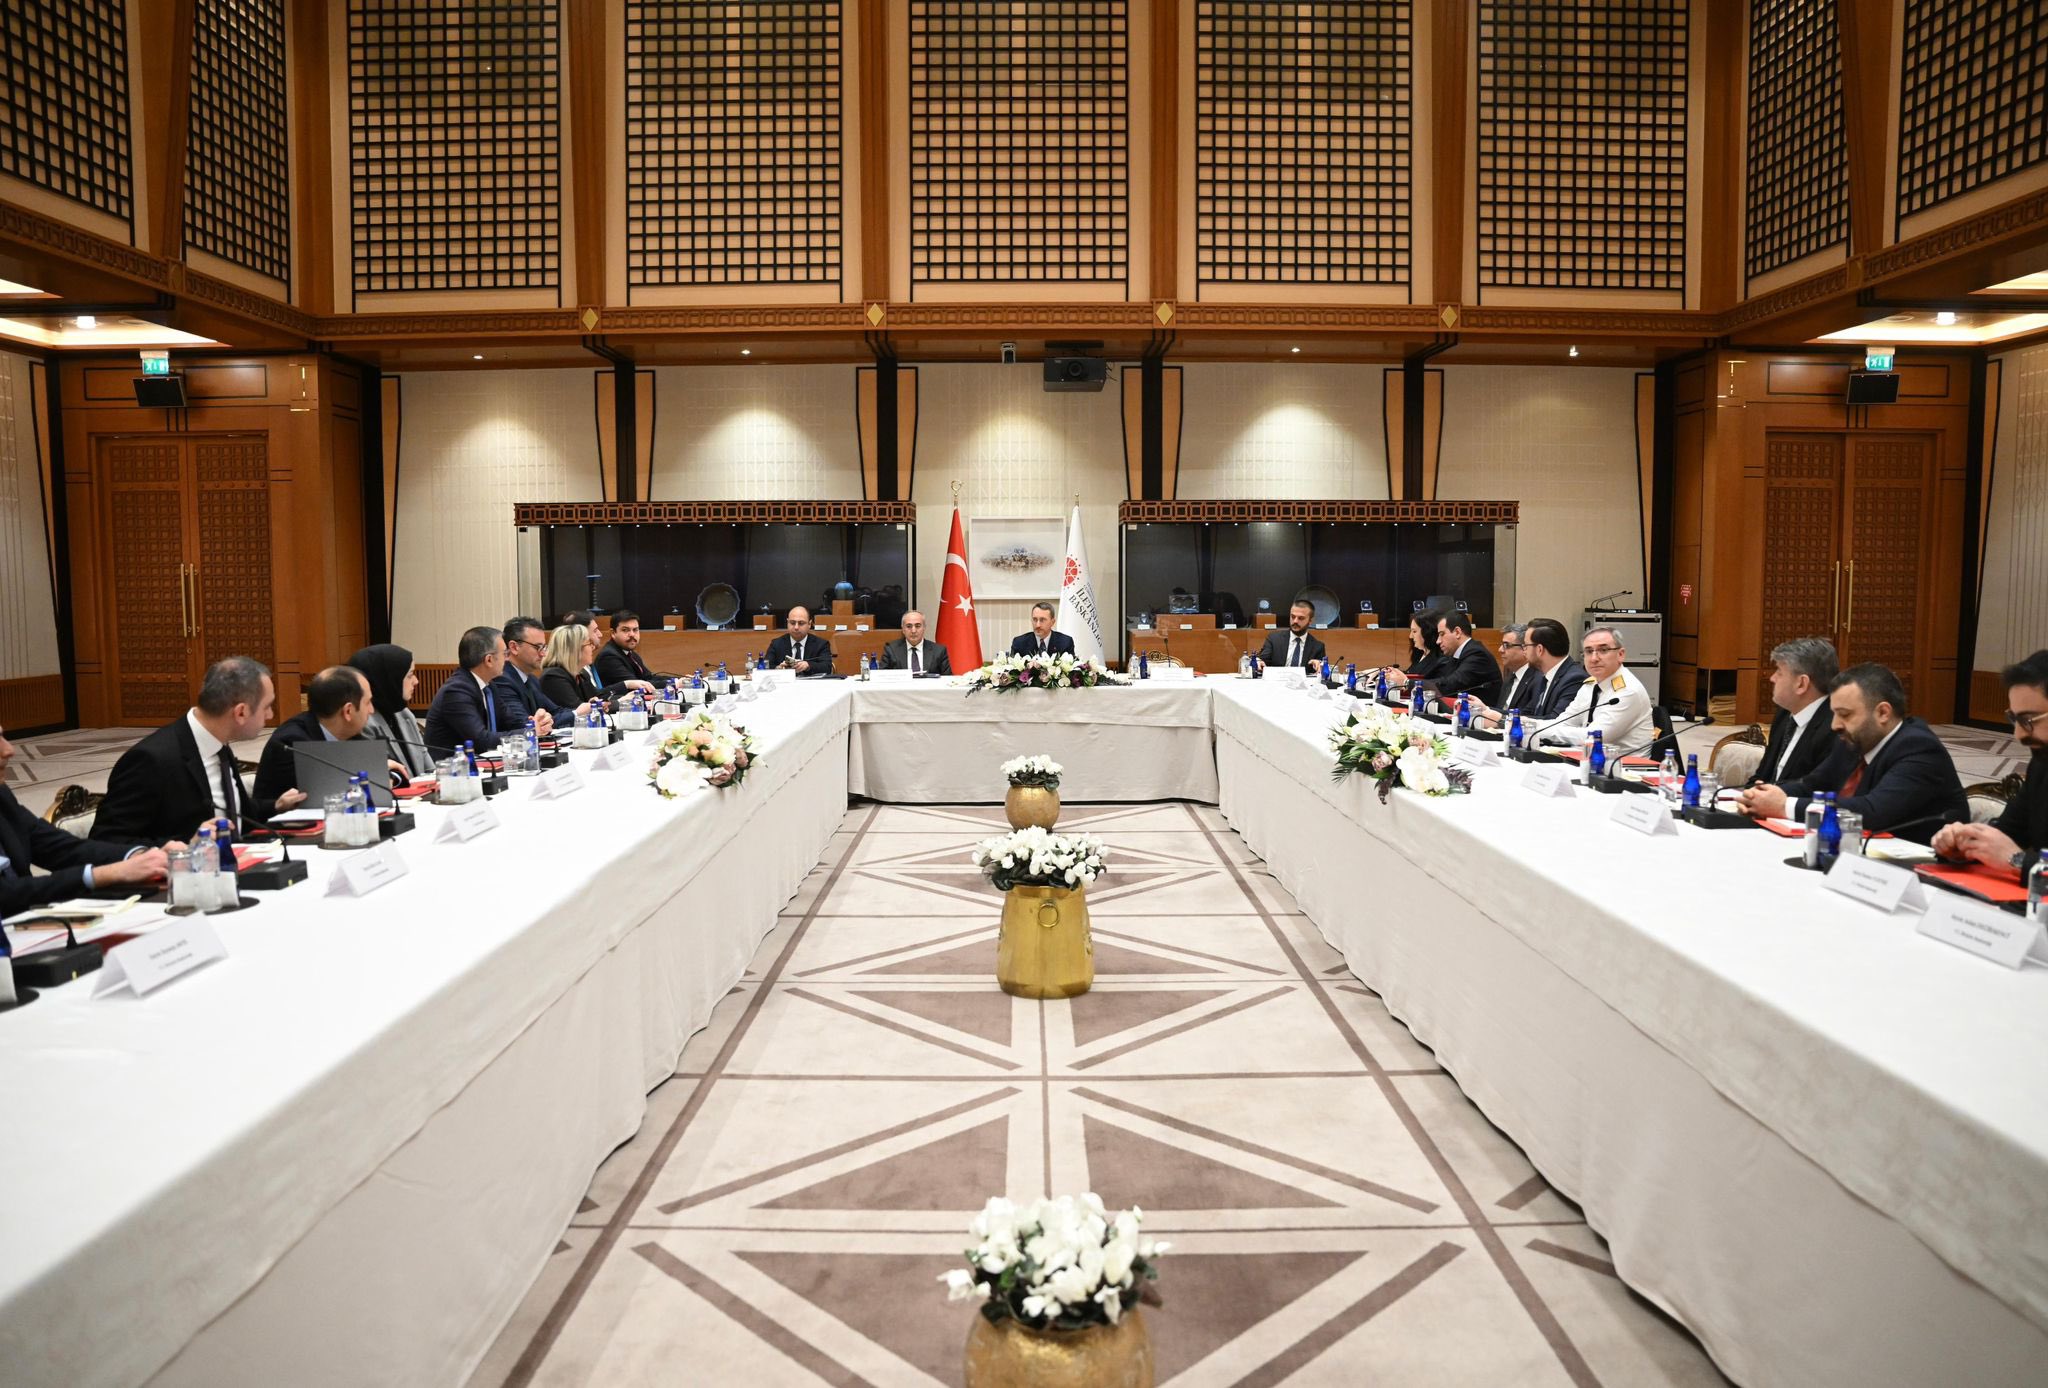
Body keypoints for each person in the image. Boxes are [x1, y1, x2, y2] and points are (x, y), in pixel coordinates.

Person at [1737, 663, 1967, 842]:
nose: (1835, 725)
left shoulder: (1918, 748)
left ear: (1883, 713)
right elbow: (1812, 785)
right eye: (1834, 714)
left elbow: (1871, 812)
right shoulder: (1854, 741)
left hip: (1917, 872)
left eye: (1845, 715)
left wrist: (1784, 806)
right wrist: (1764, 795)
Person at [93, 656, 306, 847]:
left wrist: (276, 806)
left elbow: (229, 811)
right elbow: (106, 840)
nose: (270, 715)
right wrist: (186, 845)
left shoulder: (218, 743)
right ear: (240, 712)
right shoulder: (151, 760)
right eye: (267, 706)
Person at [0, 722, 172, 915]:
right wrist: (101, 875)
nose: (9, 750)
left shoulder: (2, 796)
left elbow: (58, 847)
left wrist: (141, 856)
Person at [1932, 649, 2048, 875]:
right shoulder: (2041, 766)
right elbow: (2008, 833)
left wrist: (2016, 860)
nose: (2018, 734)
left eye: (2028, 720)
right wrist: (1966, 845)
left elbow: (2010, 854)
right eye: (2014, 719)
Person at [252, 666, 385, 803]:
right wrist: (374, 775)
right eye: (368, 702)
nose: (371, 710)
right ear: (348, 711)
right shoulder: (292, 743)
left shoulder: (354, 734)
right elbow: (326, 795)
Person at [1534, 625, 1655, 751]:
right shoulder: (1591, 685)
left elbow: (1593, 737)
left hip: (1621, 762)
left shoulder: (1628, 691)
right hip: (1586, 757)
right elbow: (1563, 722)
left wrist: (1536, 729)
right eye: (1588, 651)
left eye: (1603, 650)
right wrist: (1526, 724)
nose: (1594, 658)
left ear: (1620, 654)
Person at [1746, 637, 1841, 787]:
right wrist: (1751, 792)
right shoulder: (1784, 715)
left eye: (1779, 672)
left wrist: (1773, 795)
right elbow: (1762, 776)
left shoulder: (1834, 728)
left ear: (1801, 683)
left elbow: (1817, 789)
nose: (1772, 678)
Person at [350, 643, 435, 776]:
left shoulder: (404, 714)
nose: (416, 681)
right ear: (388, 679)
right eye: (410, 675)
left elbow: (429, 767)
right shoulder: (364, 724)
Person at [423, 626, 511, 753]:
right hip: (454, 764)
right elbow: (481, 740)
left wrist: (534, 724)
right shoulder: (456, 691)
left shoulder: (489, 686)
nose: (507, 659)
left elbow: (510, 721)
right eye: (505, 654)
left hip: (482, 761)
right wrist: (526, 733)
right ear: (489, 660)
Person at [1391, 609, 1501, 707]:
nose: (1438, 641)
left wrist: (1407, 682)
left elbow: (1449, 684)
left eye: (1442, 634)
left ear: (1457, 632)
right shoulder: (1457, 654)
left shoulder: (1477, 655)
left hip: (1483, 718)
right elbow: (1441, 680)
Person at [492, 616, 577, 729]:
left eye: (544, 647)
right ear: (514, 647)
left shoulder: (531, 679)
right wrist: (578, 713)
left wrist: (550, 719)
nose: (543, 654)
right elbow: (522, 724)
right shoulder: (502, 679)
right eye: (538, 647)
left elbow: (556, 711)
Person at [540, 623, 612, 709]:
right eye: (589, 643)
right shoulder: (553, 677)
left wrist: (621, 701)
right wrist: (594, 706)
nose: (593, 647)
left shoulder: (581, 673)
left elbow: (599, 697)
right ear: (575, 649)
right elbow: (576, 710)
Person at [593, 609, 669, 686]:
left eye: (635, 630)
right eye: (625, 630)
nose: (632, 634)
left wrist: (674, 680)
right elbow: (637, 686)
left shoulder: (629, 653)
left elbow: (648, 677)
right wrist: (673, 683)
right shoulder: (609, 657)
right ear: (613, 633)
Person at [1254, 600, 1325, 671]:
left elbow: (1320, 670)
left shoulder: (1317, 647)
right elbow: (1261, 660)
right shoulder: (1274, 640)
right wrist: (1258, 661)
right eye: (1293, 617)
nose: (1295, 621)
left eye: (1301, 618)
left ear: (1310, 621)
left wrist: (1319, 665)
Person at [765, 606, 834, 676]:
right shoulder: (776, 644)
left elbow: (827, 667)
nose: (796, 627)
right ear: (787, 622)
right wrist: (778, 669)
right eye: (792, 623)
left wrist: (808, 666)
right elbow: (766, 666)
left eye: (801, 623)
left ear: (809, 624)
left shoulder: (821, 644)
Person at [879, 610, 951, 674]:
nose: (913, 631)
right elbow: (881, 677)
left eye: (918, 626)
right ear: (903, 629)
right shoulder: (891, 650)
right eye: (909, 626)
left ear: (924, 628)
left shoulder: (939, 651)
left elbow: (948, 680)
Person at [1493, 626, 1540, 713]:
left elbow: (1528, 716)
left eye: (1506, 645)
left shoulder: (1537, 679)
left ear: (1524, 648)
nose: (1500, 650)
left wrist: (1486, 710)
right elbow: (1500, 710)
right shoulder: (1510, 676)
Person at [1009, 602, 1076, 658]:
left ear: (1052, 622)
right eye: (1035, 619)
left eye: (1042, 620)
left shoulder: (1065, 643)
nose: (1038, 625)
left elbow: (1071, 669)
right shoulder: (1019, 643)